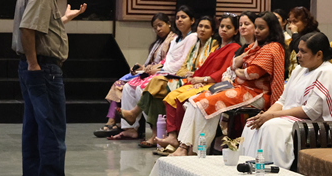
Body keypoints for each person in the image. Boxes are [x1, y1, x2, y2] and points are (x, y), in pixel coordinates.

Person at [12, 0, 87, 176]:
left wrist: (63, 19)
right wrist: (34, 64)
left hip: (35, 67)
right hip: (43, 68)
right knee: (52, 127)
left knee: (34, 127)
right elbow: (28, 29)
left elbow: (41, 26)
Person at [171, 12, 285, 156]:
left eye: (261, 28)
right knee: (194, 100)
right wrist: (242, 63)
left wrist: (237, 70)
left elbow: (251, 73)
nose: (256, 31)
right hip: (240, 89)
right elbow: (233, 64)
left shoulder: (273, 47)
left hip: (257, 94)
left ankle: (195, 151)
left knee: (205, 104)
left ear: (271, 29)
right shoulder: (255, 47)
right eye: (256, 27)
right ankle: (183, 146)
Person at [240, 32, 332, 169]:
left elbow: (311, 111)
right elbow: (283, 100)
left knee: (271, 126)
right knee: (252, 124)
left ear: (319, 54)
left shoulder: (328, 73)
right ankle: (249, 170)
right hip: (294, 119)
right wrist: (265, 115)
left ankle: (275, 173)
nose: (298, 55)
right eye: (298, 50)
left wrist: (272, 116)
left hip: (320, 124)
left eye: (303, 51)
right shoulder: (299, 69)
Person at [119, 16, 219, 147]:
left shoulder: (213, 46)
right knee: (153, 89)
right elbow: (183, 66)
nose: (202, 30)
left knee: (157, 83)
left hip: (197, 80)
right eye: (201, 26)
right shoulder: (195, 45)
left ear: (212, 31)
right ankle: (155, 134)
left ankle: (135, 114)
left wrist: (192, 75)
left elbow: (208, 69)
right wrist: (185, 74)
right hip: (185, 77)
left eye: (206, 27)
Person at [154, 14, 241, 153]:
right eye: (222, 26)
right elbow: (204, 67)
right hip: (204, 81)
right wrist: (195, 79)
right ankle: (172, 136)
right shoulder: (218, 47)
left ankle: (183, 143)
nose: (224, 29)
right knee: (171, 96)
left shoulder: (235, 47)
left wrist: (203, 79)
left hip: (214, 84)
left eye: (228, 27)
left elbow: (224, 71)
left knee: (182, 98)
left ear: (236, 31)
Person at [109, 6, 198, 140]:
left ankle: (155, 130)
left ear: (192, 20)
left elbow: (182, 63)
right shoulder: (176, 40)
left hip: (175, 75)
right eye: (178, 17)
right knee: (128, 87)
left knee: (141, 89)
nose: (179, 20)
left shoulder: (192, 37)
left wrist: (160, 70)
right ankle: (129, 129)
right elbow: (167, 60)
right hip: (164, 71)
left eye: (183, 17)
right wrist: (149, 68)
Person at [95, 13, 176, 137]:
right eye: (155, 27)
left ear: (169, 23)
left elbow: (169, 63)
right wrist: (141, 68)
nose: (158, 29)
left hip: (163, 73)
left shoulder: (174, 40)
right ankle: (127, 127)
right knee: (121, 85)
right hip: (149, 72)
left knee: (127, 86)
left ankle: (116, 123)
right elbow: (150, 64)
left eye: (160, 25)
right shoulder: (158, 43)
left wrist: (154, 69)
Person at [286, 6, 320, 78]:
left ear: (305, 22)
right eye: (290, 22)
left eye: (295, 22)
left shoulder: (314, 36)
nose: (290, 26)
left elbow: (300, 51)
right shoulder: (295, 38)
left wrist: (295, 33)